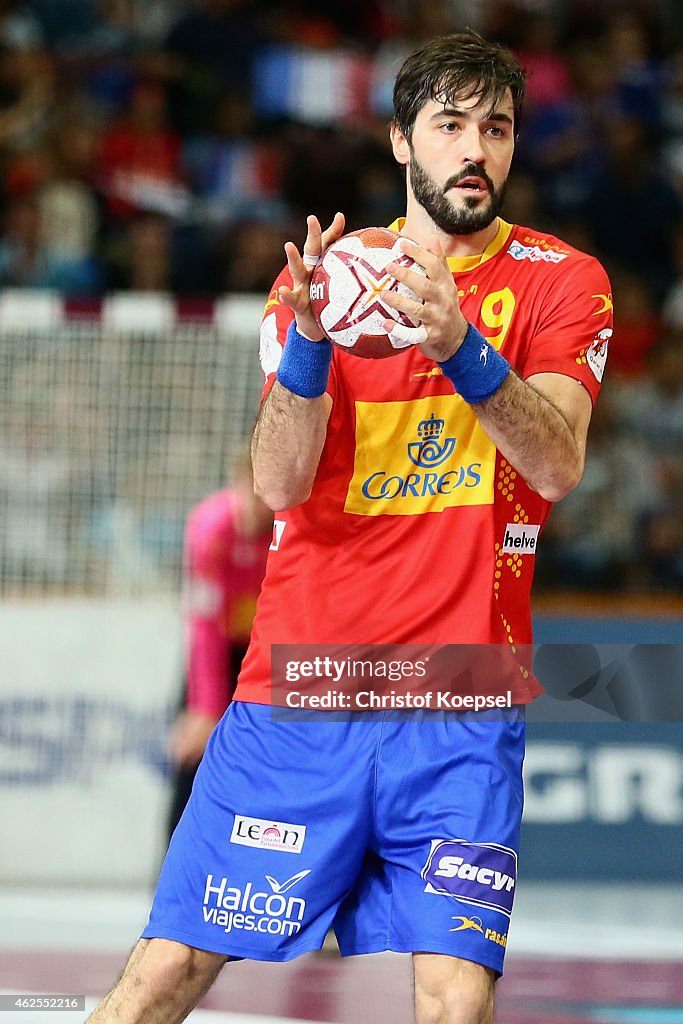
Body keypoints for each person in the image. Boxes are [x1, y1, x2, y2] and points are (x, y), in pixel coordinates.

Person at [87, 31, 612, 1024]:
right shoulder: (325, 281)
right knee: (161, 977)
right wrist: (309, 348)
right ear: (399, 143)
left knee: (453, 998)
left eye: (494, 128)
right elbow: (279, 485)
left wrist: (458, 345)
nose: (475, 149)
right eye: (449, 125)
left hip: (460, 703)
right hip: (303, 688)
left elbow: (555, 462)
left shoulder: (560, 281)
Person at [166, 453, 272, 841]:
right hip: (217, 655)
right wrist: (205, 707)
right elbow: (204, 623)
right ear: (237, 483)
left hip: (267, 658)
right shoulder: (211, 528)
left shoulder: (288, 525)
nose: (261, 508)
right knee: (192, 758)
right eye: (253, 494)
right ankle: (171, 875)